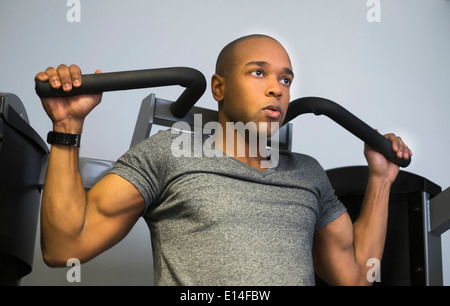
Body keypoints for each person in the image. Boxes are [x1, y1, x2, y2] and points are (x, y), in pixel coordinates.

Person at [35, 34, 412, 286]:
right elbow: (64, 248)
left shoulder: (308, 173)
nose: (275, 89)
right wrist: (68, 126)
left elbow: (357, 277)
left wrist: (380, 179)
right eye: (259, 72)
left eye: (285, 80)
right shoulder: (168, 153)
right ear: (219, 87)